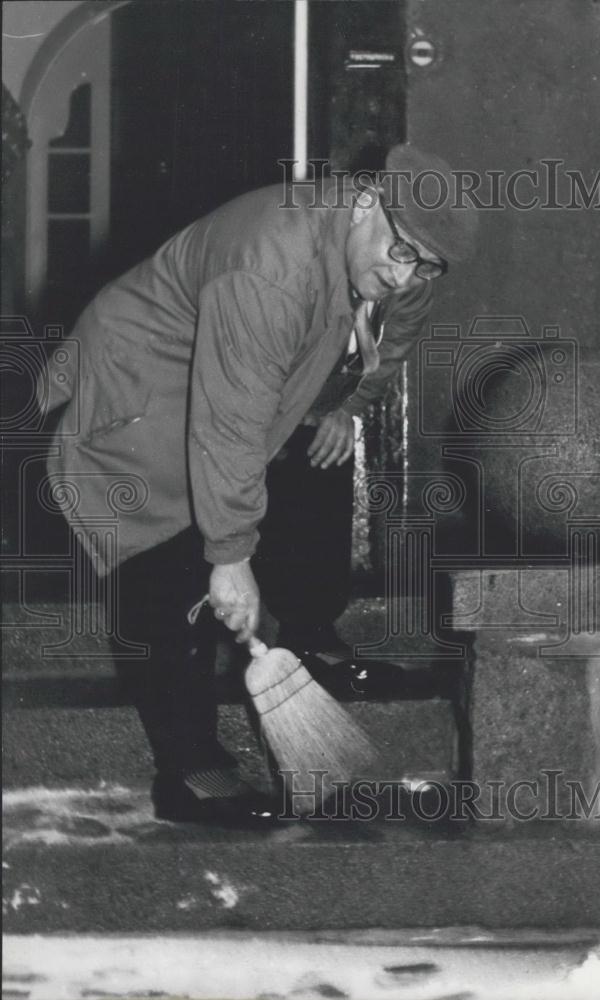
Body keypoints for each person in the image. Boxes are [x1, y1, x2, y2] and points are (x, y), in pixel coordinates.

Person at [39, 144, 477, 827]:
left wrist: (347, 408)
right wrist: (230, 555)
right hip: (147, 378)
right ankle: (189, 772)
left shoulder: (404, 266)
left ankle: (307, 631)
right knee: (167, 558)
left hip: (264, 373)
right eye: (401, 252)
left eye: (425, 265)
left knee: (302, 457)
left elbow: (393, 342)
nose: (405, 275)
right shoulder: (270, 264)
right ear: (366, 201)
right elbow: (226, 422)